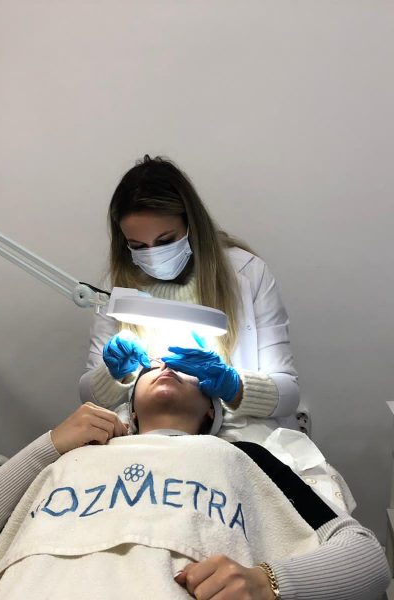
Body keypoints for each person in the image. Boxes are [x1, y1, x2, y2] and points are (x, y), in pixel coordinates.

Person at [0, 362, 389, 599]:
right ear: (130, 408)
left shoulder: (242, 456)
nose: (166, 367)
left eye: (186, 372)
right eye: (151, 369)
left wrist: (269, 583)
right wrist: (47, 445)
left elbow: (367, 558)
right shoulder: (77, 453)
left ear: (211, 412)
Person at [79, 156, 299, 434]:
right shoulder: (116, 289)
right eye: (138, 246)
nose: (153, 254)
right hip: (145, 440)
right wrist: (112, 373)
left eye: (165, 240)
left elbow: (288, 393)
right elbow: (89, 396)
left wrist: (234, 386)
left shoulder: (247, 273)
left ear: (191, 225)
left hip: (241, 438)